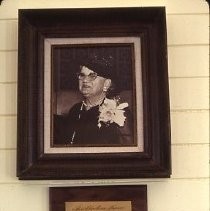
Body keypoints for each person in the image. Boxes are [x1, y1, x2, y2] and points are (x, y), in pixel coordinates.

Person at [53, 54, 134, 146]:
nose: (85, 80)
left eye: (92, 76)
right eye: (82, 75)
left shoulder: (119, 113)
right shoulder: (76, 110)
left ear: (107, 84)